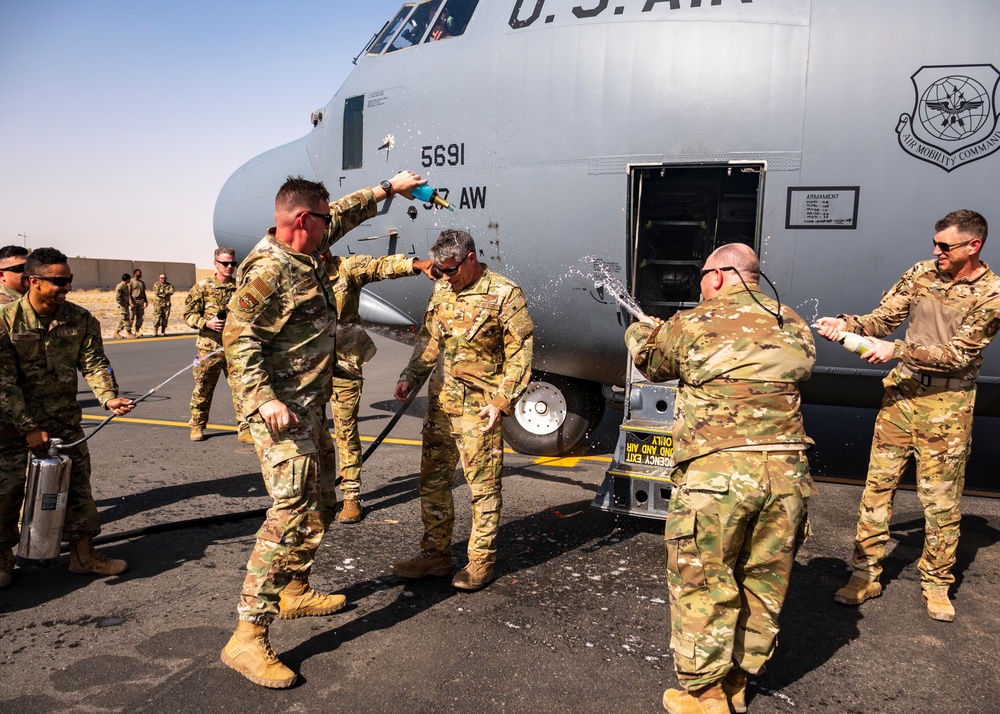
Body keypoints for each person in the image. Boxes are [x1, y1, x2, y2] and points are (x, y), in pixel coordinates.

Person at [220, 170, 425, 688]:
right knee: (289, 514)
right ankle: (247, 636)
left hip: (310, 408)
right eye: (324, 219)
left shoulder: (306, 247)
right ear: (302, 220)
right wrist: (263, 399)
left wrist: (387, 189)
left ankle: (293, 588)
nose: (332, 226)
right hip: (280, 413)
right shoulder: (267, 271)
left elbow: (346, 212)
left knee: (326, 501)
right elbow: (237, 341)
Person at [625, 243, 816, 714]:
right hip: (787, 475)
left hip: (720, 475)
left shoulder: (693, 322)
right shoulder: (791, 320)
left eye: (704, 276)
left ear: (719, 275)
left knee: (704, 580)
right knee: (763, 581)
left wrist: (641, 331)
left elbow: (653, 363)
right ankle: (737, 682)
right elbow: (800, 365)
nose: (701, 285)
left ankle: (704, 695)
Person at [815, 208, 1000, 623]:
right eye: (935, 243)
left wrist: (897, 351)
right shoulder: (921, 273)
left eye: (944, 246)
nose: (935, 252)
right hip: (901, 399)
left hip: (947, 410)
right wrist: (844, 324)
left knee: (940, 502)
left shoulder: (992, 294)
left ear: (974, 246)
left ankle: (935, 584)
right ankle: (864, 575)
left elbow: (957, 356)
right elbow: (883, 319)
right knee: (877, 489)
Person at [392, 229, 534, 592]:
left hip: (479, 409)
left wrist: (502, 402)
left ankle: (480, 561)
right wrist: (411, 376)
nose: (443, 276)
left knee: (482, 488)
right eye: (439, 270)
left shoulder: (505, 293)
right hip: (442, 404)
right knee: (433, 481)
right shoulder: (442, 288)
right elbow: (429, 339)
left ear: (470, 259)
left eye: (450, 270)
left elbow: (520, 354)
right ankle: (435, 555)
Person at [0, 248, 135, 589]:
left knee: (77, 489)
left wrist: (108, 396)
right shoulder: (5, 321)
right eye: (58, 281)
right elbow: (3, 382)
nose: (66, 287)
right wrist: (28, 427)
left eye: (69, 280)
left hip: (63, 420)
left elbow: (94, 362)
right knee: (7, 492)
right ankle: (3, 560)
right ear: (34, 281)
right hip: (13, 424)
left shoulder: (80, 319)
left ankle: (83, 554)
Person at [322, 250, 435, 524]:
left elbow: (380, 266)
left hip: (344, 361)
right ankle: (322, 496)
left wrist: (416, 265)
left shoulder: (347, 268)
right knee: (312, 433)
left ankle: (350, 496)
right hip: (307, 365)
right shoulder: (296, 271)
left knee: (346, 429)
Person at [184, 248, 248, 443]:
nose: (230, 267)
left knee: (241, 388)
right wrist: (206, 323)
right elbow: (188, 315)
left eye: (233, 264)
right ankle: (197, 424)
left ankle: (244, 428)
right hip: (209, 348)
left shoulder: (239, 289)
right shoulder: (201, 287)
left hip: (234, 348)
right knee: (203, 387)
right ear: (216, 264)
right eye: (225, 263)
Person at [128, 269, 147, 336]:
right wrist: (130, 302)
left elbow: (144, 293)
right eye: (139, 273)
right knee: (131, 317)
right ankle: (129, 331)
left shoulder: (142, 283)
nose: (141, 274)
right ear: (135, 273)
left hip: (141, 301)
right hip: (134, 300)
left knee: (140, 317)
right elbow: (129, 293)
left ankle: (137, 331)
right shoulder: (131, 282)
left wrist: (146, 301)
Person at [113, 273, 131, 338]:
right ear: (128, 279)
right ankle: (129, 333)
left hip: (125, 305)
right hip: (122, 306)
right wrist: (122, 304)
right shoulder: (120, 286)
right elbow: (118, 297)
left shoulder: (125, 286)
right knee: (125, 318)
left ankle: (116, 332)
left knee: (122, 319)